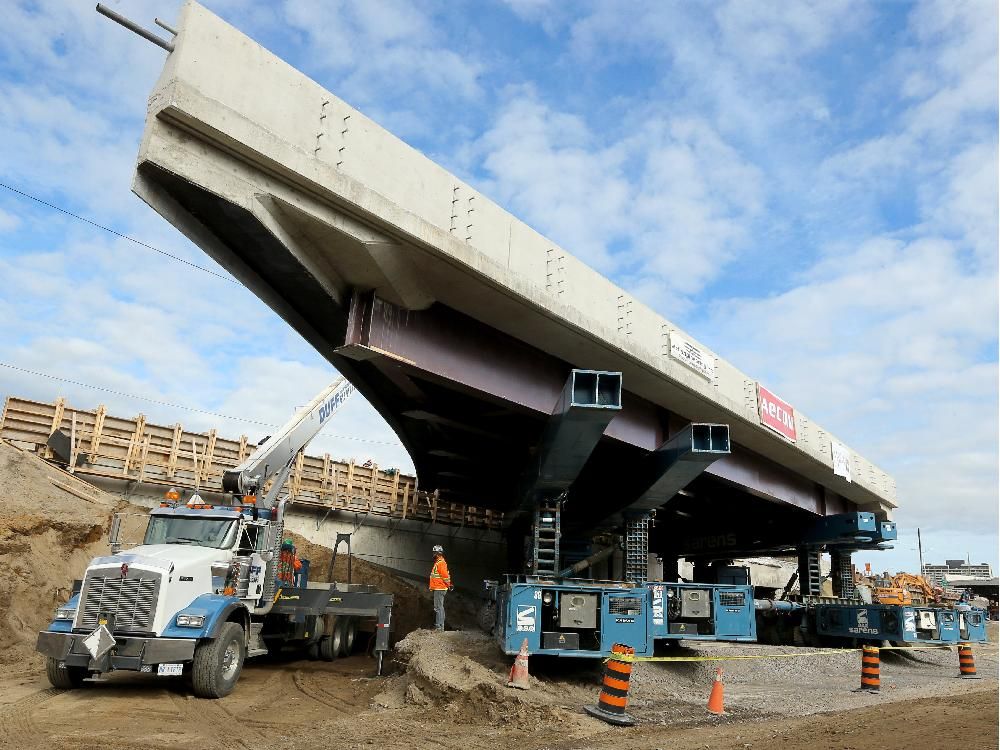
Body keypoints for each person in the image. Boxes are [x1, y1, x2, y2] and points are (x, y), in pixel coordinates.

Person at [429, 544, 453, 631]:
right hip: (438, 588)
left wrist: (449, 585)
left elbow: (445, 576)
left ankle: (439, 627)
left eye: (434, 552)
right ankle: (440, 626)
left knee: (438, 608)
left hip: (440, 588)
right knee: (439, 607)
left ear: (438, 553)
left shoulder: (441, 563)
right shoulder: (439, 562)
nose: (433, 554)